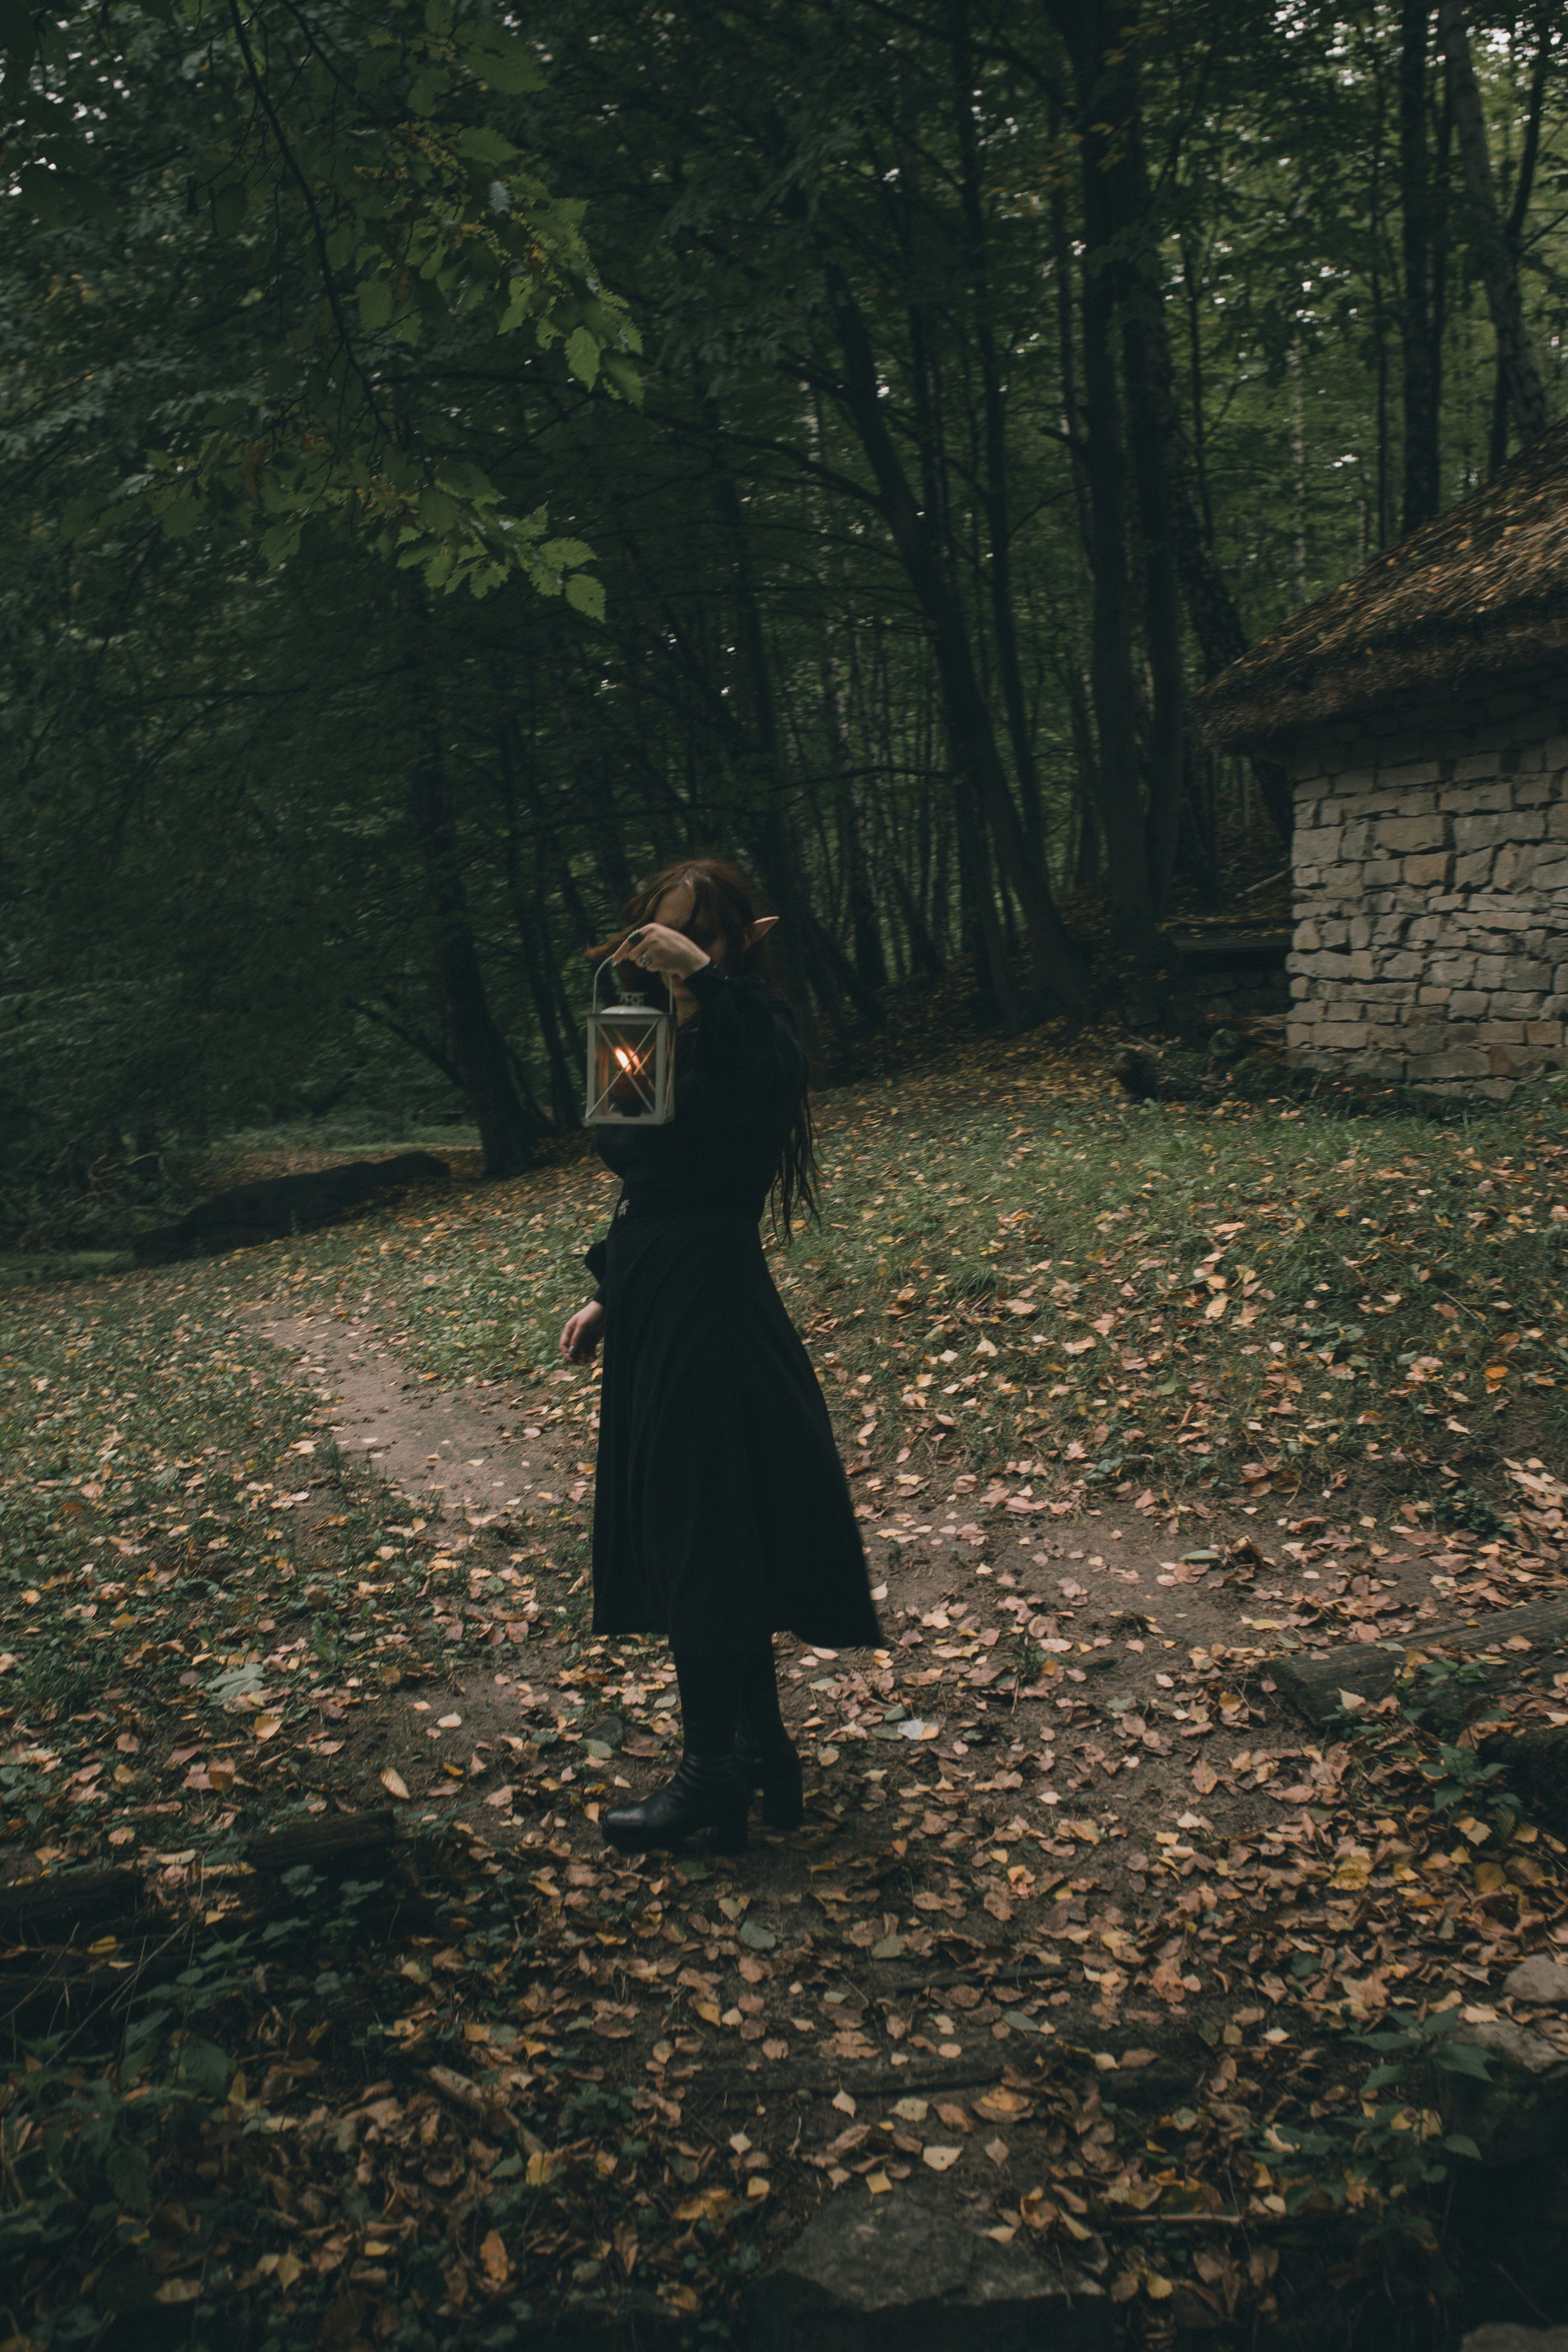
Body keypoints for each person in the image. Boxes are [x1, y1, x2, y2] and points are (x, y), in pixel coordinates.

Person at [559, 858, 880, 1853]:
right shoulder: (643, 1039)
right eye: (658, 936)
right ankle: (761, 1752)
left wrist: (710, 978)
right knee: (707, 1521)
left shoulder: (758, 1032)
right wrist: (613, 1290)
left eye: (694, 935)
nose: (669, 954)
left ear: (737, 942)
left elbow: (751, 1105)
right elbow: (642, 1168)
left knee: (703, 1520)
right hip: (660, 1296)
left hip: (714, 1299)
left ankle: (713, 1773)